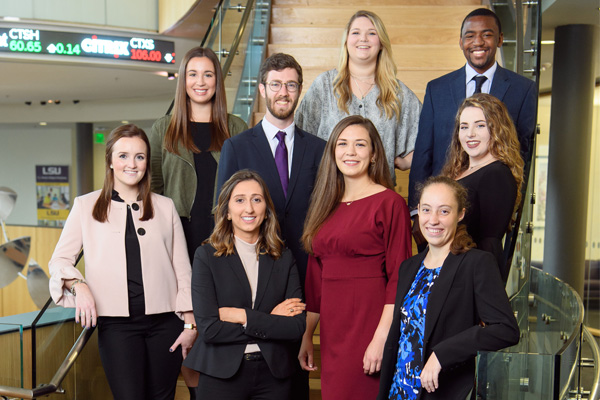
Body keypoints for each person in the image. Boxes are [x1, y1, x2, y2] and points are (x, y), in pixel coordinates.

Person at [49, 124, 196, 400]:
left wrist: (190, 324)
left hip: (166, 323)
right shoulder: (85, 206)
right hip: (116, 326)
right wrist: (78, 285)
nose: (132, 164)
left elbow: (182, 269)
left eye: (139, 156)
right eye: (123, 156)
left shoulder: (165, 206)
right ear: (110, 162)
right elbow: (59, 260)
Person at [299, 115, 413, 399]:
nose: (350, 152)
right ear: (333, 152)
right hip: (332, 330)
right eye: (343, 144)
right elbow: (315, 279)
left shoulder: (390, 203)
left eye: (360, 145)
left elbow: (400, 277)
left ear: (373, 154)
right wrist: (306, 334)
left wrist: (381, 338)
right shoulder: (323, 204)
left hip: (370, 324)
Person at [378, 176, 519, 400]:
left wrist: (442, 355)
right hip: (399, 390)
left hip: (441, 392)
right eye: (426, 210)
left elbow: (506, 330)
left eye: (444, 211)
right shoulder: (409, 267)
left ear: (460, 214)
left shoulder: (476, 263)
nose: (433, 220)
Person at [184, 169, 306, 399]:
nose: (248, 208)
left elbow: (296, 327)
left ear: (266, 211)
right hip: (221, 375)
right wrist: (271, 320)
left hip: (274, 377)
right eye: (239, 200)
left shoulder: (284, 257)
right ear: (227, 211)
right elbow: (209, 329)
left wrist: (242, 316)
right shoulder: (206, 256)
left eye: (256, 200)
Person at [408, 8, 537, 211]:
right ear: (461, 42)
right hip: (440, 209)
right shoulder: (437, 89)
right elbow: (424, 153)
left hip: (493, 209)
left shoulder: (523, 90)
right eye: (470, 36)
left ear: (500, 39)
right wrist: (416, 211)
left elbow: (522, 155)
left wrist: (514, 211)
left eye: (487, 34)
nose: (478, 42)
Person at [295, 10, 421, 181]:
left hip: (379, 193)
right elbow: (299, 136)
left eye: (372, 33)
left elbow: (428, 138)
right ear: (346, 41)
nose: (363, 39)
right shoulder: (324, 85)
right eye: (356, 33)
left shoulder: (398, 93)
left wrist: (407, 161)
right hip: (329, 193)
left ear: (382, 43)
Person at [150, 46, 247, 262]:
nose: (200, 82)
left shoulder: (237, 128)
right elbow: (154, 189)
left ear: (217, 81)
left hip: (225, 236)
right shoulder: (164, 129)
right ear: (183, 81)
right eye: (192, 74)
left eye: (208, 75)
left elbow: (247, 185)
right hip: (177, 236)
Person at [441, 93, 524, 283]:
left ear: (496, 130)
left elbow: (489, 245)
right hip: (451, 270)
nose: (470, 134)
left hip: (470, 278)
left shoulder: (496, 175)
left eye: (480, 125)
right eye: (464, 127)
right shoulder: (459, 170)